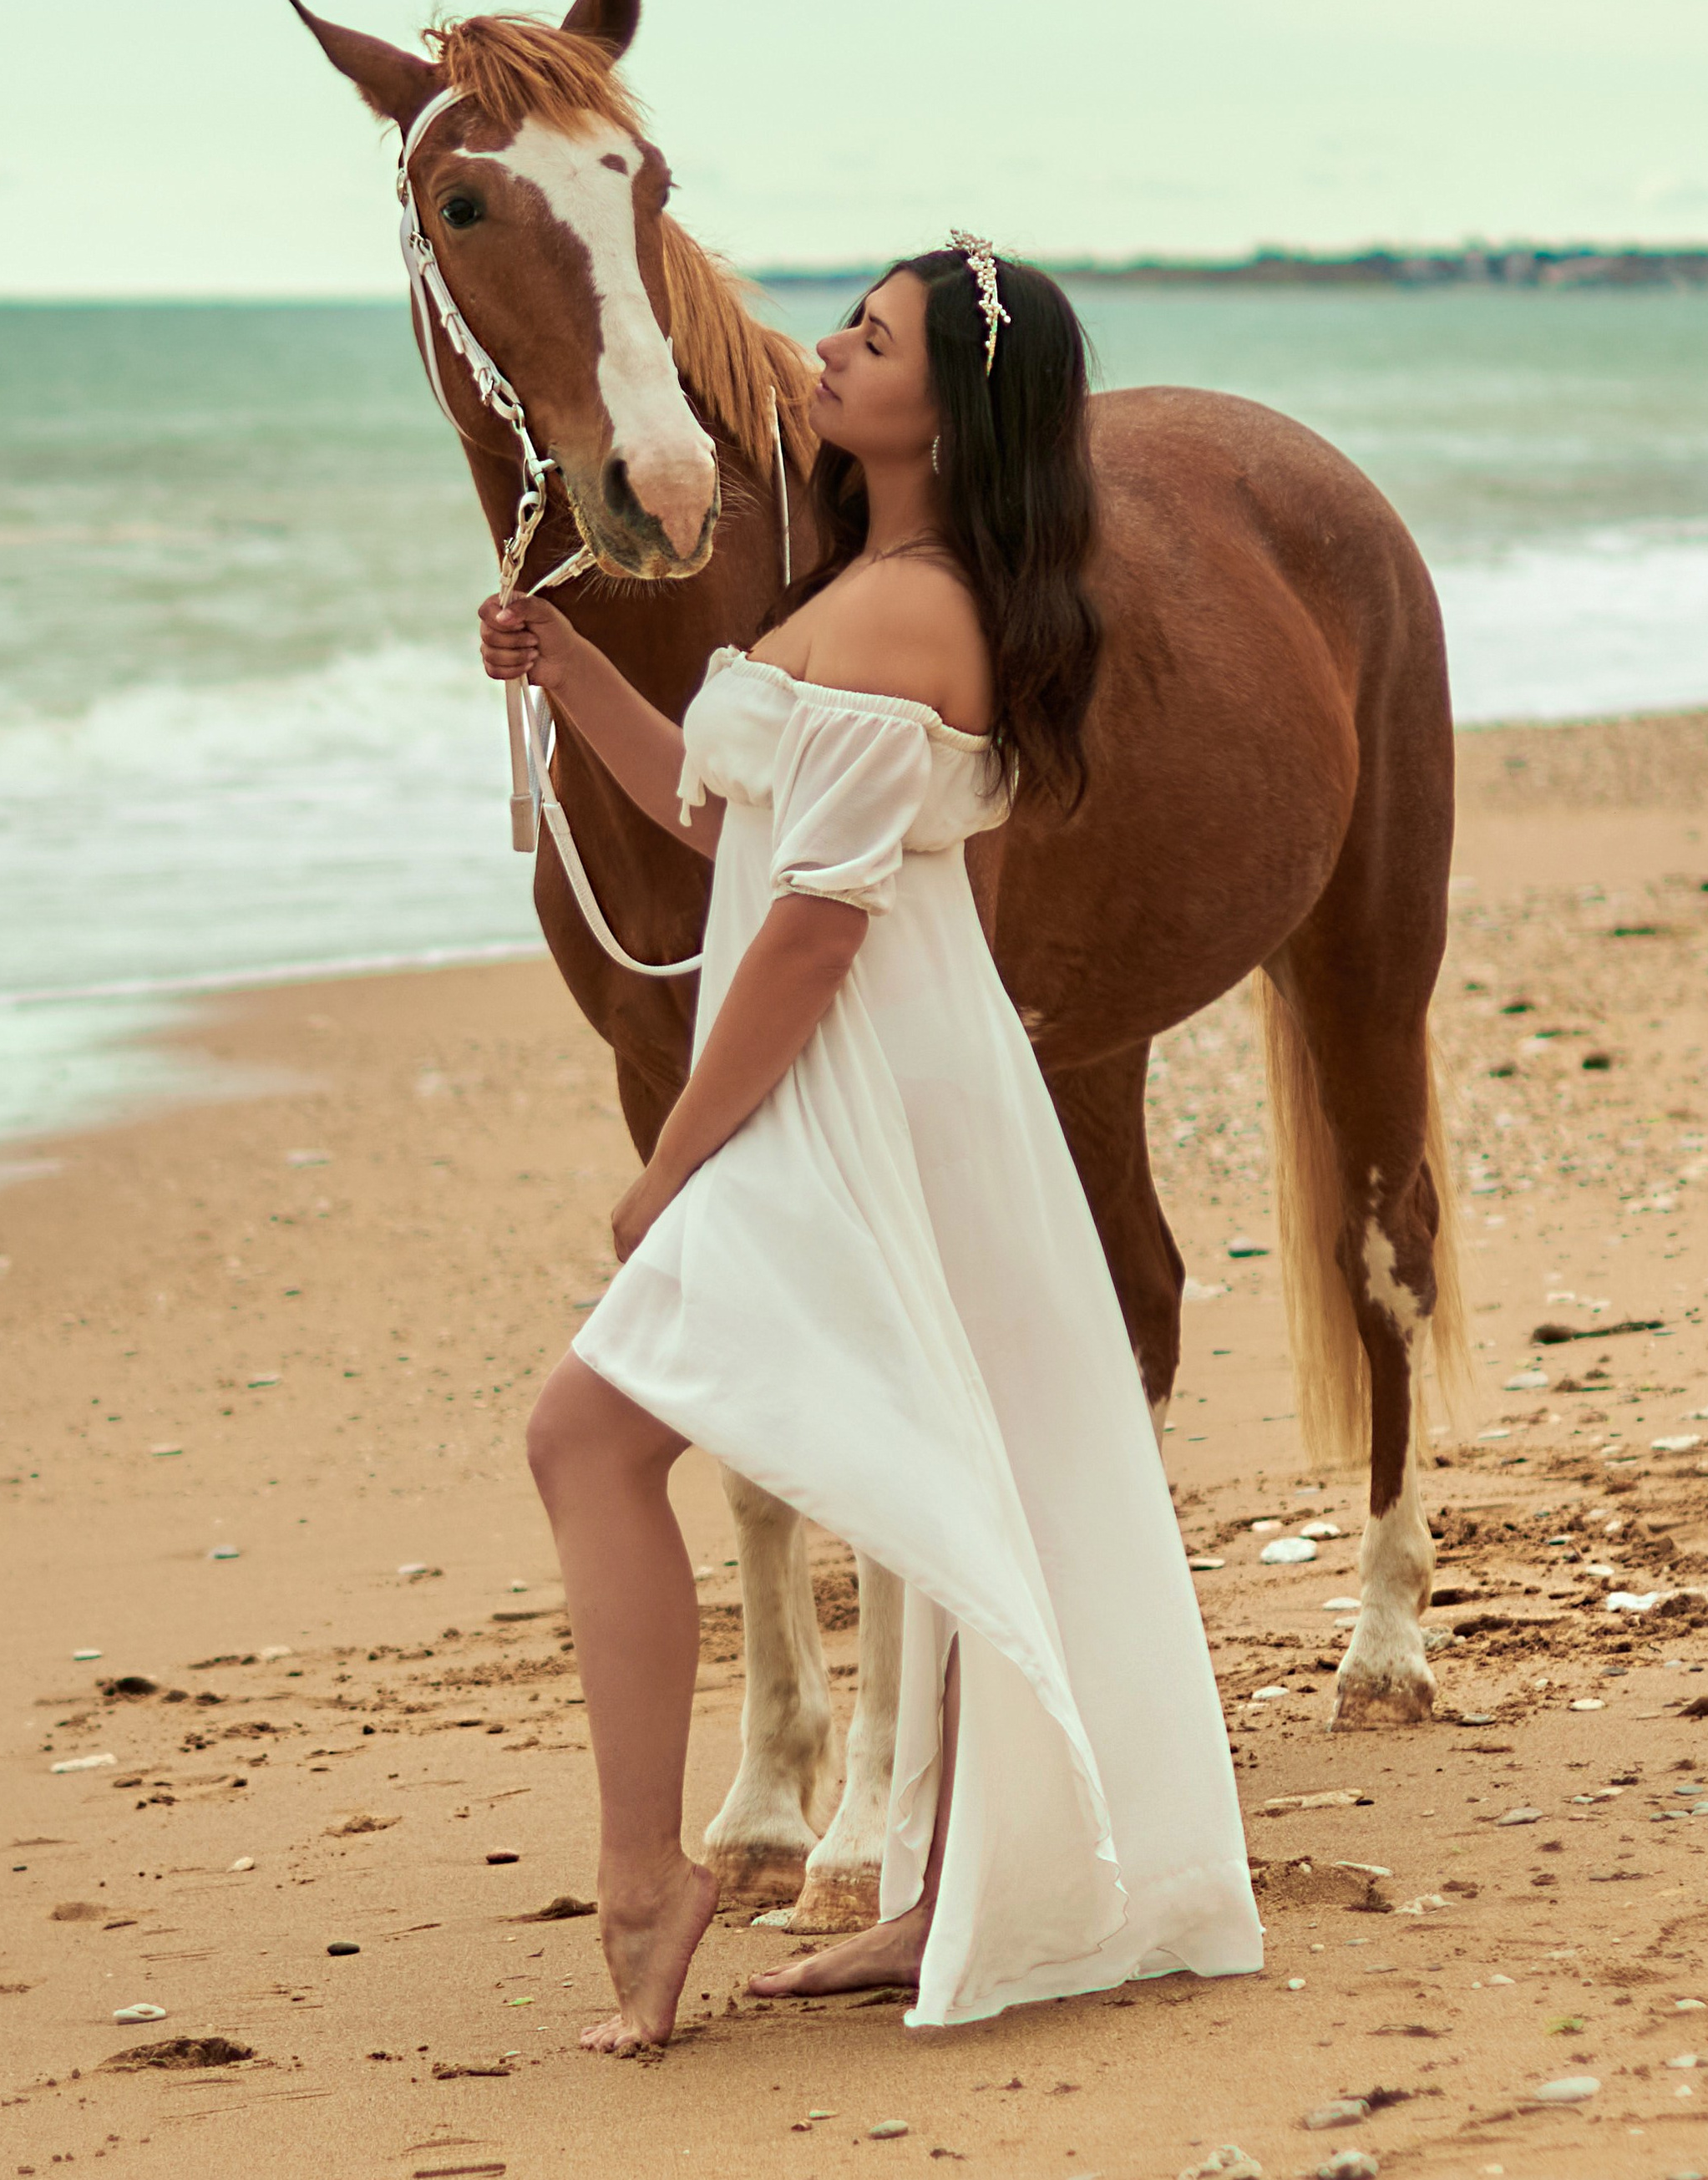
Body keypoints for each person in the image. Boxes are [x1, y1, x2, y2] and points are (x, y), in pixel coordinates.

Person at [480, 242, 1261, 2054]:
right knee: (924, 1469)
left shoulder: (914, 610)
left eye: (871, 337)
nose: (824, 349)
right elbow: (712, 787)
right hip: (874, 1074)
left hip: (847, 1081)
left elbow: (815, 924)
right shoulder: (876, 584)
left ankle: (650, 1882)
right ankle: (916, 1891)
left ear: (950, 406)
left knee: (590, 1434)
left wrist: (675, 1156)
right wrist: (569, 667)